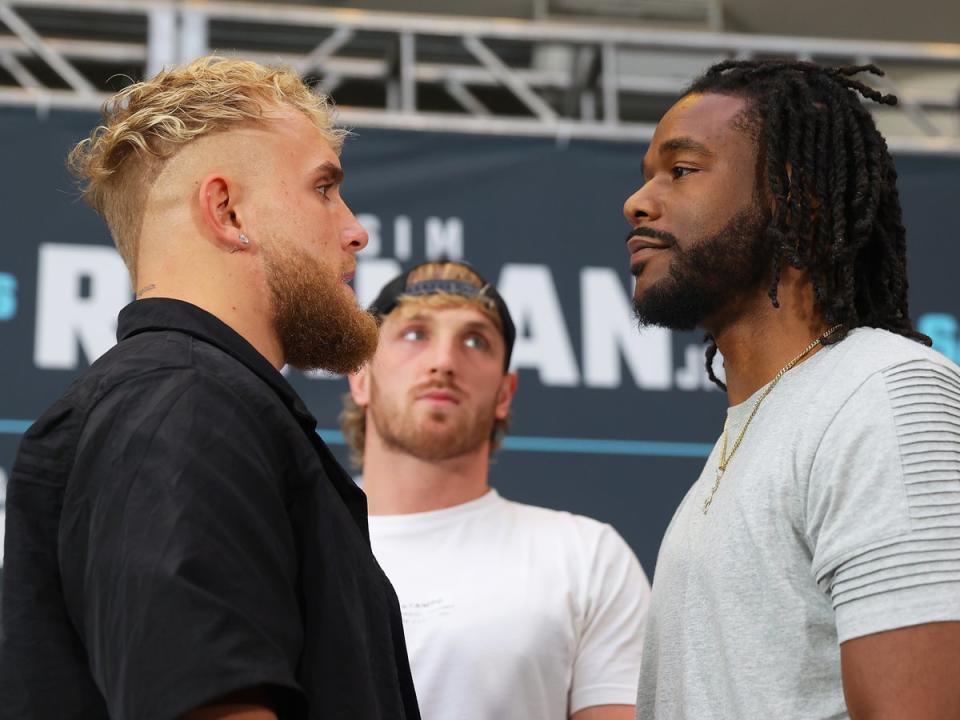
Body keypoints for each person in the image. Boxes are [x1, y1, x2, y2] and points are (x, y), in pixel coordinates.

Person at [0, 57, 420, 720]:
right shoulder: (184, 409)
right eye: (323, 188)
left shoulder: (192, 405)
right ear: (226, 211)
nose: (355, 230)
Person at [624, 59, 960, 718]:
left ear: (794, 196)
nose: (637, 200)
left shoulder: (885, 391)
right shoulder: (750, 435)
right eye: (646, 177)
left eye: (682, 170)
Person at [340, 260, 651, 720]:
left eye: (475, 340)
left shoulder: (587, 558)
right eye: (414, 334)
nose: (443, 361)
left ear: (505, 393)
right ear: (360, 375)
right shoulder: (294, 542)